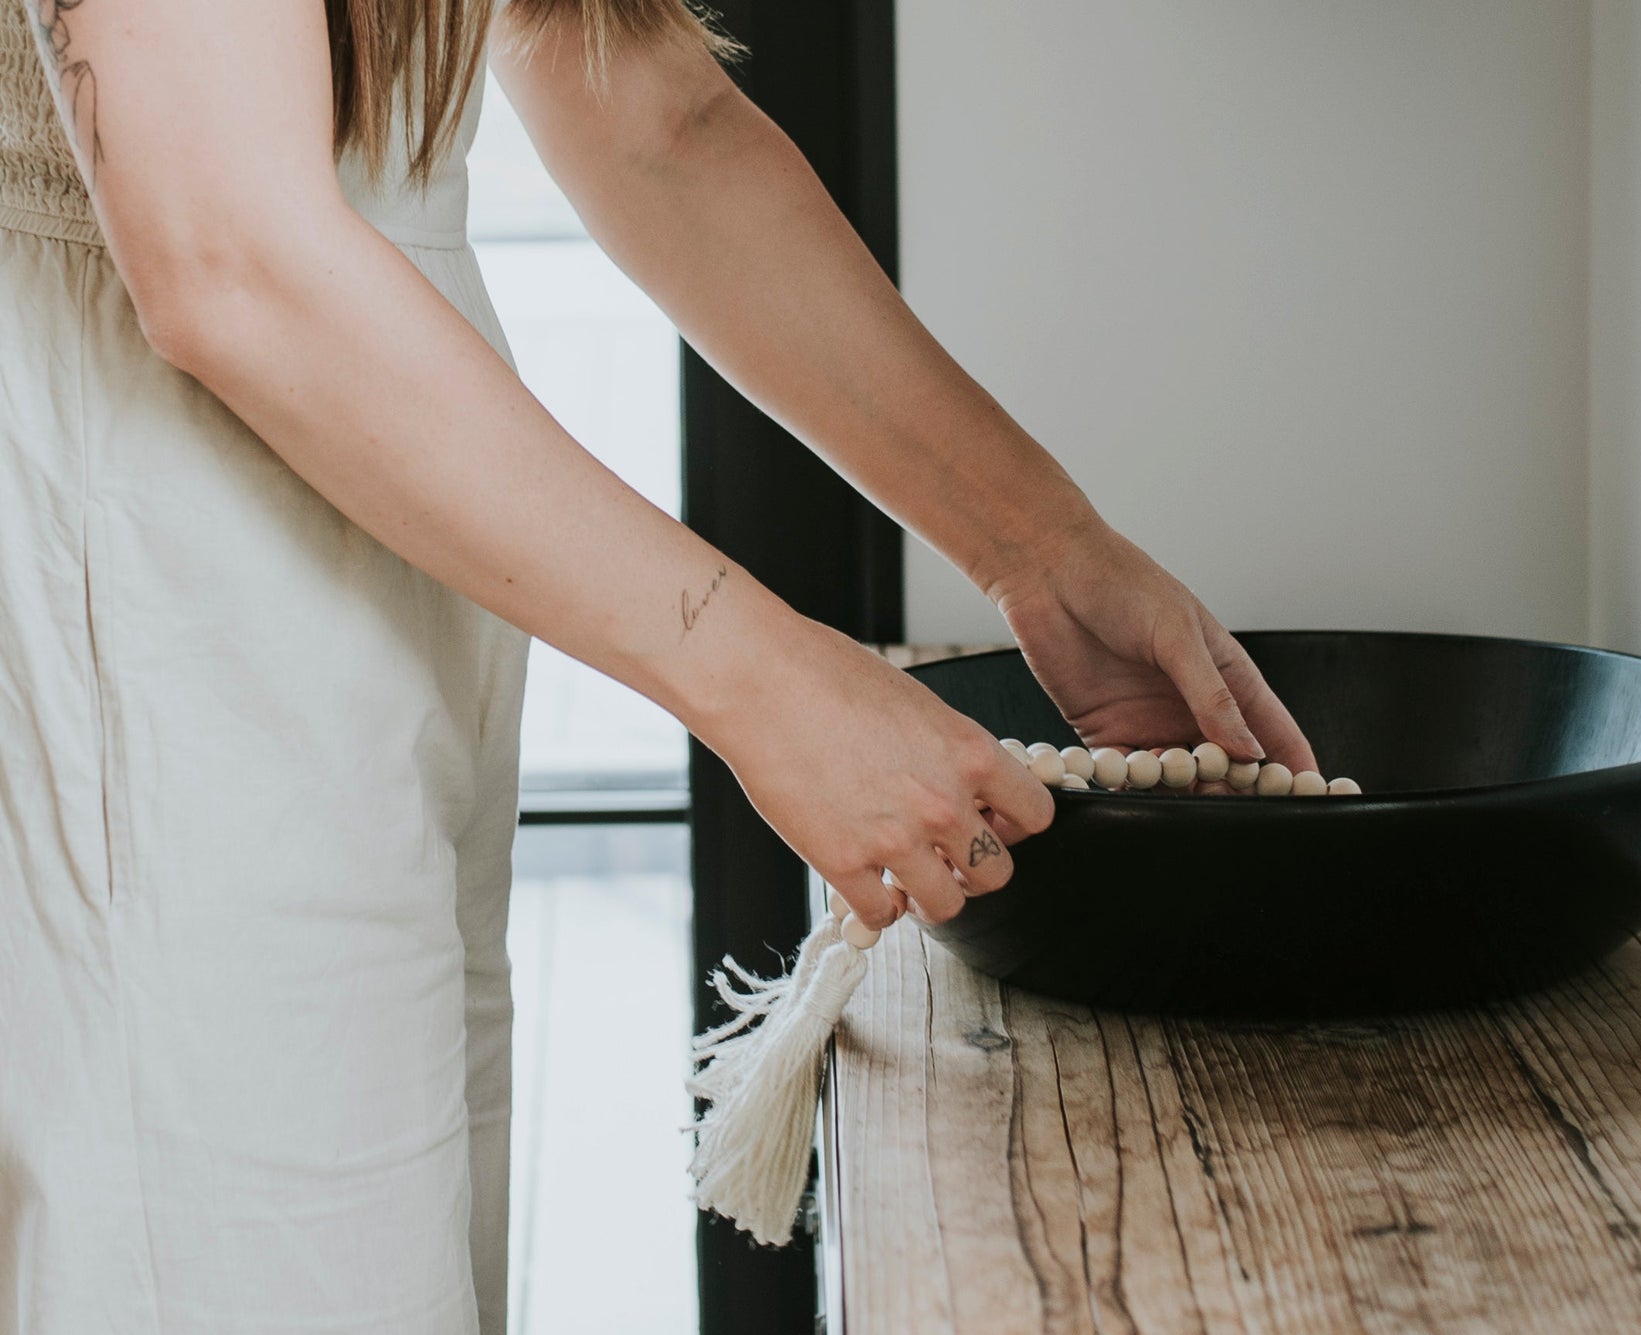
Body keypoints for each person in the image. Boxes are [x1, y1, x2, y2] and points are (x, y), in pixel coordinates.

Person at [0, 0, 1314, 1328]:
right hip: (156, 578)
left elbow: (651, 115)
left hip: (371, 538)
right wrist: (772, 685)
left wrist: (1042, 547)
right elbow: (225, 253)